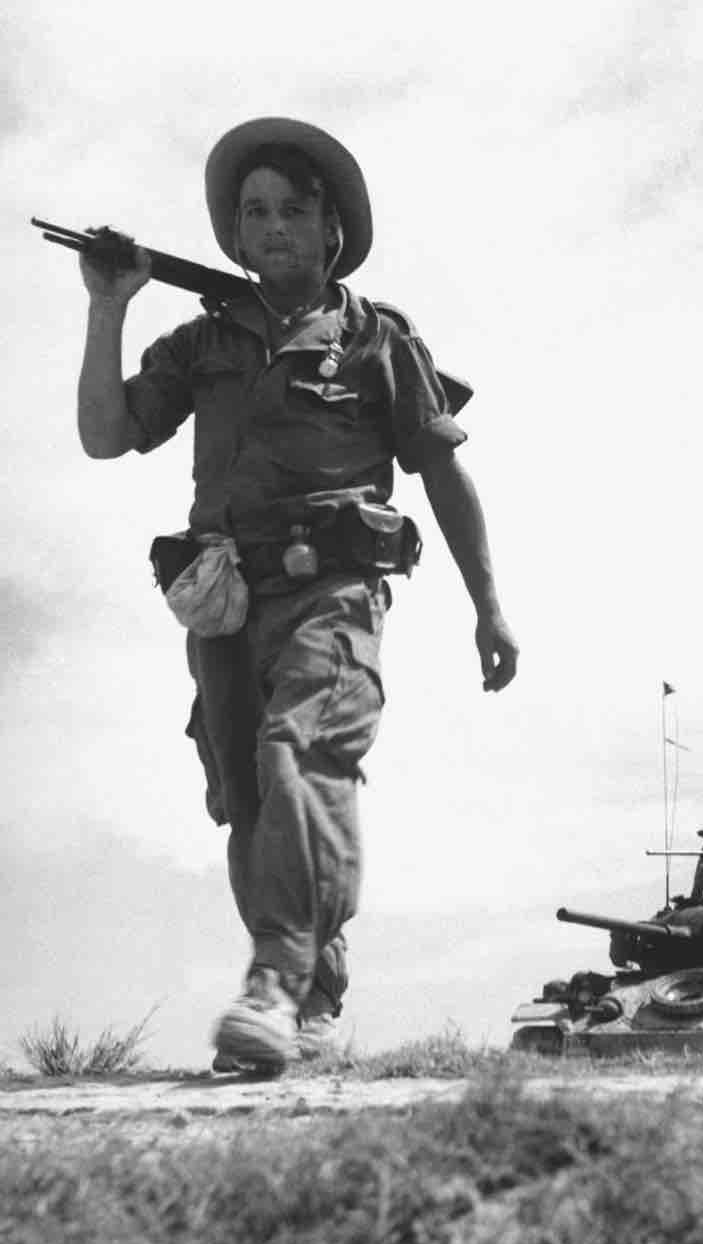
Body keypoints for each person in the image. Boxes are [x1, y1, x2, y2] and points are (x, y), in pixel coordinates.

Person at [75, 117, 519, 1073]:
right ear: (234, 235)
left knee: (299, 753)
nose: (272, 226)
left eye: (293, 210)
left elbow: (443, 477)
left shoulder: (378, 342)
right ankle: (311, 991)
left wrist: (489, 604)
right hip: (226, 600)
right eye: (254, 211)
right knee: (247, 801)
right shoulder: (202, 342)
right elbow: (107, 437)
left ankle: (274, 981)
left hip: (336, 596)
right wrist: (108, 307)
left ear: (331, 233)